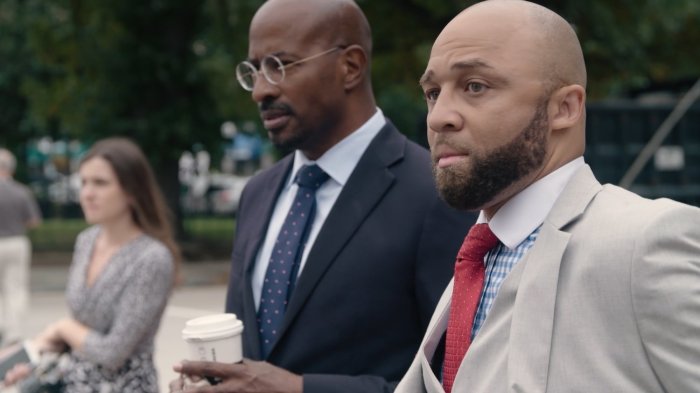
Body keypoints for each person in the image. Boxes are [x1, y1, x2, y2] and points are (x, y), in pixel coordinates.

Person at [171, 0, 475, 392]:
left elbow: (458, 380)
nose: (260, 91)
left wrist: (301, 389)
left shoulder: (435, 194)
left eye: (279, 66)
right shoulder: (257, 194)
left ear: (350, 66)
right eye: (254, 70)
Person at [396, 1, 700, 392]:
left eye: (475, 86)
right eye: (433, 92)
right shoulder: (478, 255)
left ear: (565, 108)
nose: (439, 117)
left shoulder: (645, 242)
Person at [4, 137, 180, 392]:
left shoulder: (152, 258)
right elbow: (85, 331)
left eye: (100, 183)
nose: (87, 193)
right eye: (83, 182)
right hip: (73, 381)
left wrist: (63, 328)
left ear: (131, 191)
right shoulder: (87, 241)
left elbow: (112, 352)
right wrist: (36, 351)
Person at [0, 148, 42, 345]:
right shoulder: (22, 191)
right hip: (16, 241)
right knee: (15, 288)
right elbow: (33, 221)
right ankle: (13, 333)